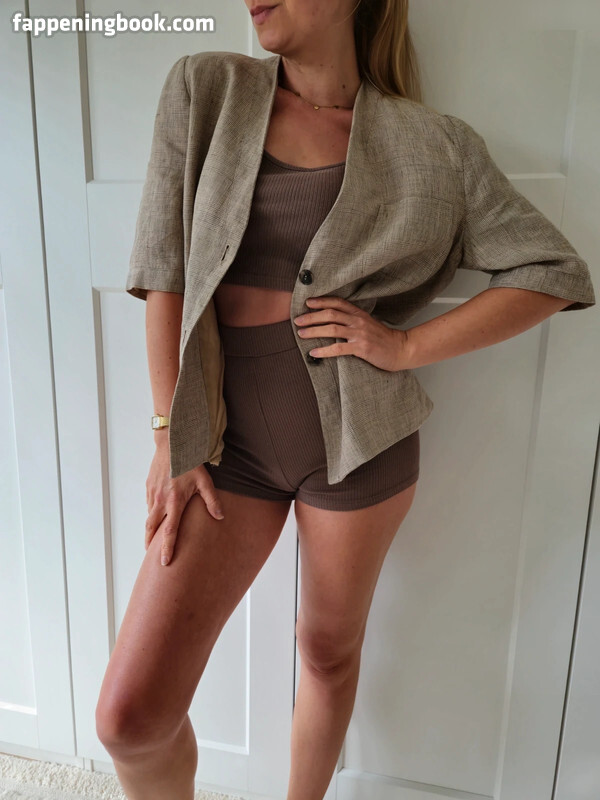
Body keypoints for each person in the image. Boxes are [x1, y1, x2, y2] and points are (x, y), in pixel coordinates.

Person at [95, 2, 596, 799]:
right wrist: (167, 434)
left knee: (328, 652)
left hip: (362, 442)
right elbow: (165, 269)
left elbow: (554, 272)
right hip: (221, 447)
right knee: (130, 718)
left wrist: (405, 347)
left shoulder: (436, 144)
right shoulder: (207, 89)